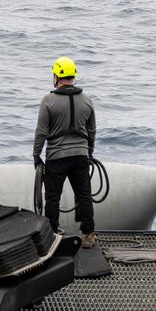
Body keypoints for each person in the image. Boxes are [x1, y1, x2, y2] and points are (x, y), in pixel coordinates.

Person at [33, 56, 98, 248]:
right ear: (72, 76)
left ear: (57, 76)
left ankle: (52, 234)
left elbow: (42, 132)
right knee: (84, 195)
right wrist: (89, 152)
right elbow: (92, 130)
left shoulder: (48, 100)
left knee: (53, 197)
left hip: (56, 157)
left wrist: (36, 156)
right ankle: (87, 235)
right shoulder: (87, 100)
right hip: (80, 156)